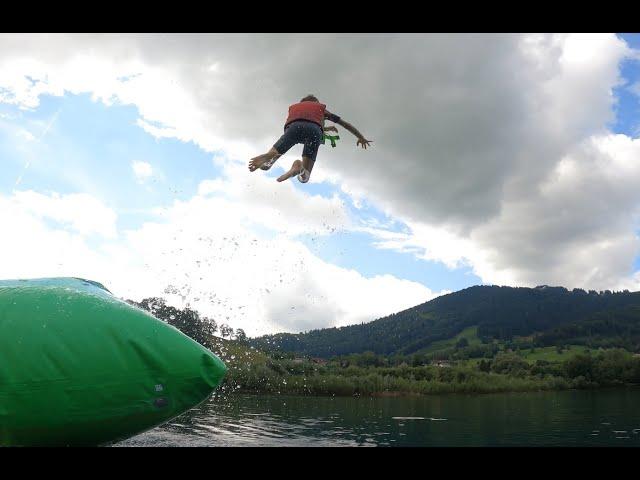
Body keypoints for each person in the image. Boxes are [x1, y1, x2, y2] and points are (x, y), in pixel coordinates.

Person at [248, 95, 372, 183]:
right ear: (316, 103)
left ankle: (270, 156)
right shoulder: (321, 109)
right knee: (305, 177)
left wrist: (326, 129)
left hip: (293, 128)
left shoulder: (296, 107)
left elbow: (304, 120)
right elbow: (345, 124)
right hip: (314, 131)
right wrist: (360, 137)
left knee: (265, 166)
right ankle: (299, 168)